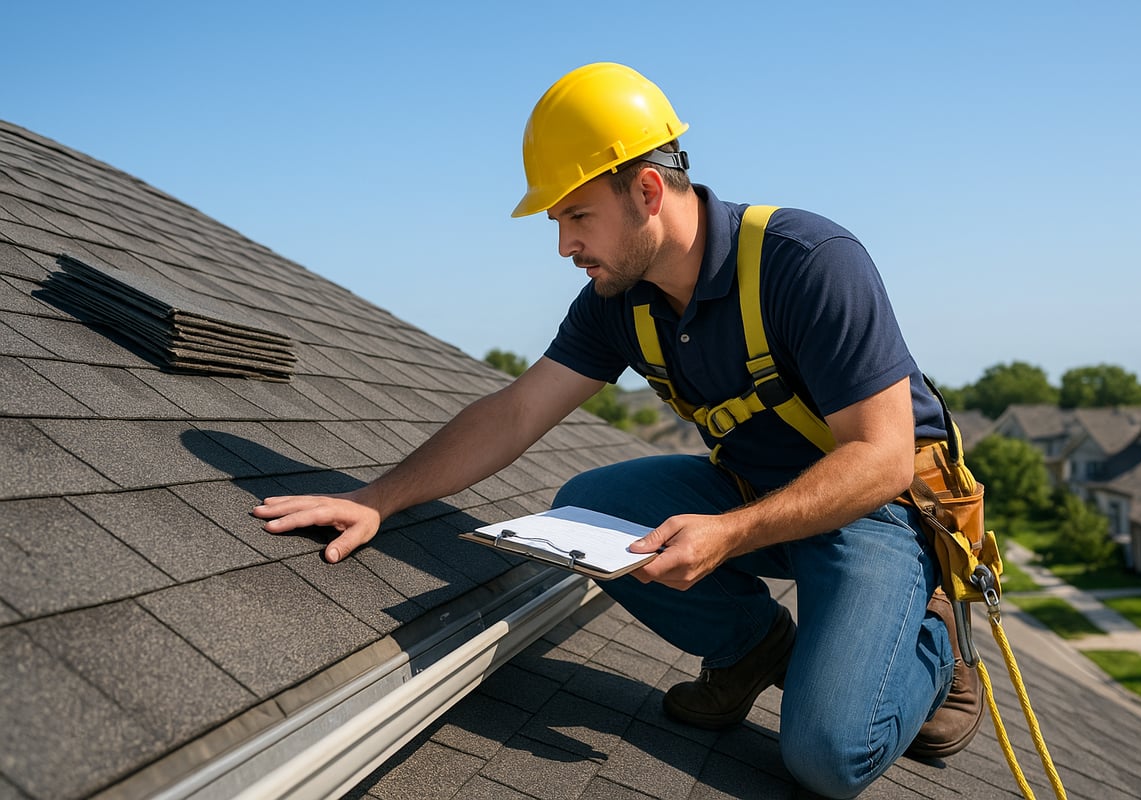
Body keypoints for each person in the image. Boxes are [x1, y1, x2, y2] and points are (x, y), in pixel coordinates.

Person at [253, 62, 983, 798]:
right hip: (751, 489)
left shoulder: (807, 264)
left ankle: (934, 645)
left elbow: (883, 459)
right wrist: (379, 498)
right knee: (584, 509)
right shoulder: (618, 300)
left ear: (646, 190)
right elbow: (515, 412)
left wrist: (728, 535)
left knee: (828, 756)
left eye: (577, 217)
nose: (565, 247)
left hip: (873, 511)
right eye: (558, 223)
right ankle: (753, 648)